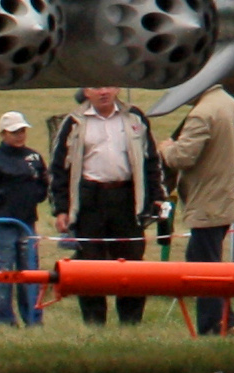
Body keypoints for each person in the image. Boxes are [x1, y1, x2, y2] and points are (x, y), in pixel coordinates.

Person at [47, 85, 161, 326]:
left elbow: (151, 159)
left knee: (131, 265)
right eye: (96, 87)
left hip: (126, 199)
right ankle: (94, 323)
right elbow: (59, 169)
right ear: (86, 92)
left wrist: (157, 197)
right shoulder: (74, 123)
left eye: (108, 86)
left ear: (117, 88)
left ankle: (131, 323)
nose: (103, 92)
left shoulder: (135, 118)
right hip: (90, 200)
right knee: (89, 266)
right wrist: (61, 209)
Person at [155, 83, 234, 336]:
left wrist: (166, 147)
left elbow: (182, 158)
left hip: (208, 200)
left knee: (202, 265)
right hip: (227, 196)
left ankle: (214, 324)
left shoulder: (202, 114)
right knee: (207, 260)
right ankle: (227, 319)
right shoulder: (233, 105)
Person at [0, 109, 52, 326]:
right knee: (2, 274)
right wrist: (4, 197)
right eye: (14, 132)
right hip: (4, 225)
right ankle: (5, 321)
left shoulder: (34, 158)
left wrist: (37, 195)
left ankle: (34, 319)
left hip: (28, 225)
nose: (19, 135)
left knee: (31, 273)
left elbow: (43, 183)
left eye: (22, 131)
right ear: (3, 134)